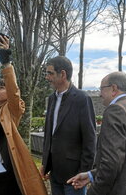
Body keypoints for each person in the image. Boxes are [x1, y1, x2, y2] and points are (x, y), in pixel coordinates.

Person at [0, 35, 47, 195]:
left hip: (6, 169)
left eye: (2, 87)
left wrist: (6, 62)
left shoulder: (12, 110)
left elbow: (14, 92)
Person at [67, 71, 126, 195]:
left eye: (102, 89)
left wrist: (94, 191)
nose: (100, 94)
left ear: (113, 88)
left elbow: (111, 163)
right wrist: (91, 175)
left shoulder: (115, 110)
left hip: (125, 189)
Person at [40, 56, 96, 195]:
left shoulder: (82, 99)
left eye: (50, 73)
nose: (47, 77)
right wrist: (45, 164)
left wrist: (84, 172)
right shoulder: (52, 98)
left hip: (74, 175)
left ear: (63, 74)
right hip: (55, 173)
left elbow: (90, 139)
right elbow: (49, 134)